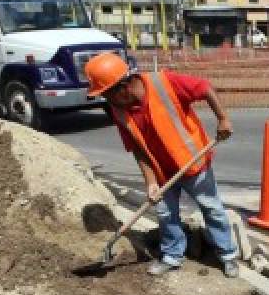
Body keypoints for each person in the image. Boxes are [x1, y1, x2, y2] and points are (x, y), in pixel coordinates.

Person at [83, 52, 240, 278]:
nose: (107, 100)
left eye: (107, 94)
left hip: (193, 164)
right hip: (162, 172)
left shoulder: (164, 83)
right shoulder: (119, 111)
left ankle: (227, 255)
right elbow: (137, 149)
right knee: (166, 213)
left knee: (212, 209)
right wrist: (151, 182)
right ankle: (172, 255)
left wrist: (222, 118)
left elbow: (204, 88)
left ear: (123, 88)